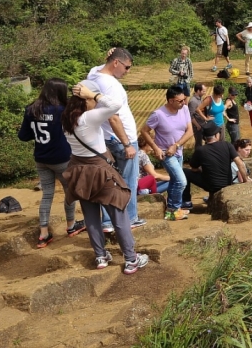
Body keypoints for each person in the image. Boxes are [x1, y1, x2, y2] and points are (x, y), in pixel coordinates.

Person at [61, 80, 149, 275]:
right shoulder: (88, 118)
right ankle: (131, 259)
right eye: (92, 99)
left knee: (91, 215)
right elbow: (115, 105)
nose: (96, 103)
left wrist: (89, 96)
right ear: (85, 99)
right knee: (118, 213)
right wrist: (94, 95)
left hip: (78, 170)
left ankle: (101, 256)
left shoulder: (66, 120)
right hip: (99, 171)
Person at [17, 78, 85, 248]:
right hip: (62, 159)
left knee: (47, 195)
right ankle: (71, 226)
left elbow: (23, 136)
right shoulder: (63, 111)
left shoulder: (31, 109)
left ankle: (44, 234)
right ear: (61, 92)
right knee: (70, 192)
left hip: (41, 159)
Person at [87, 47, 146, 233]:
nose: (128, 72)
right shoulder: (111, 85)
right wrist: (127, 143)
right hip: (121, 139)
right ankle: (129, 218)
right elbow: (114, 117)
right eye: (127, 67)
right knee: (128, 181)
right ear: (115, 63)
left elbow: (99, 67)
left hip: (105, 138)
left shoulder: (94, 75)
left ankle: (107, 222)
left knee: (108, 180)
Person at [139, 86, 195, 219]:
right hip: (166, 153)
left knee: (175, 180)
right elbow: (144, 131)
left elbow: (190, 130)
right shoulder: (158, 114)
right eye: (180, 101)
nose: (183, 103)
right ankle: (173, 209)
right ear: (171, 101)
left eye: (184, 99)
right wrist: (155, 147)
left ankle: (172, 208)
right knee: (181, 181)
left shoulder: (185, 109)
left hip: (178, 151)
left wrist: (177, 145)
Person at [183, 122, 251, 207]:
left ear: (205, 138)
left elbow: (193, 168)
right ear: (216, 135)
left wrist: (201, 170)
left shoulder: (200, 150)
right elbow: (240, 163)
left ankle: (186, 202)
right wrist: (246, 180)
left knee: (184, 171)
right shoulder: (227, 145)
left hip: (210, 186)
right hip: (227, 183)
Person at [187, 83, 207, 147]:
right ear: (198, 91)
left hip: (203, 123)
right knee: (198, 144)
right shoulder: (193, 101)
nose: (205, 93)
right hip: (198, 126)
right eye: (203, 91)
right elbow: (190, 116)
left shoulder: (200, 98)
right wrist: (197, 125)